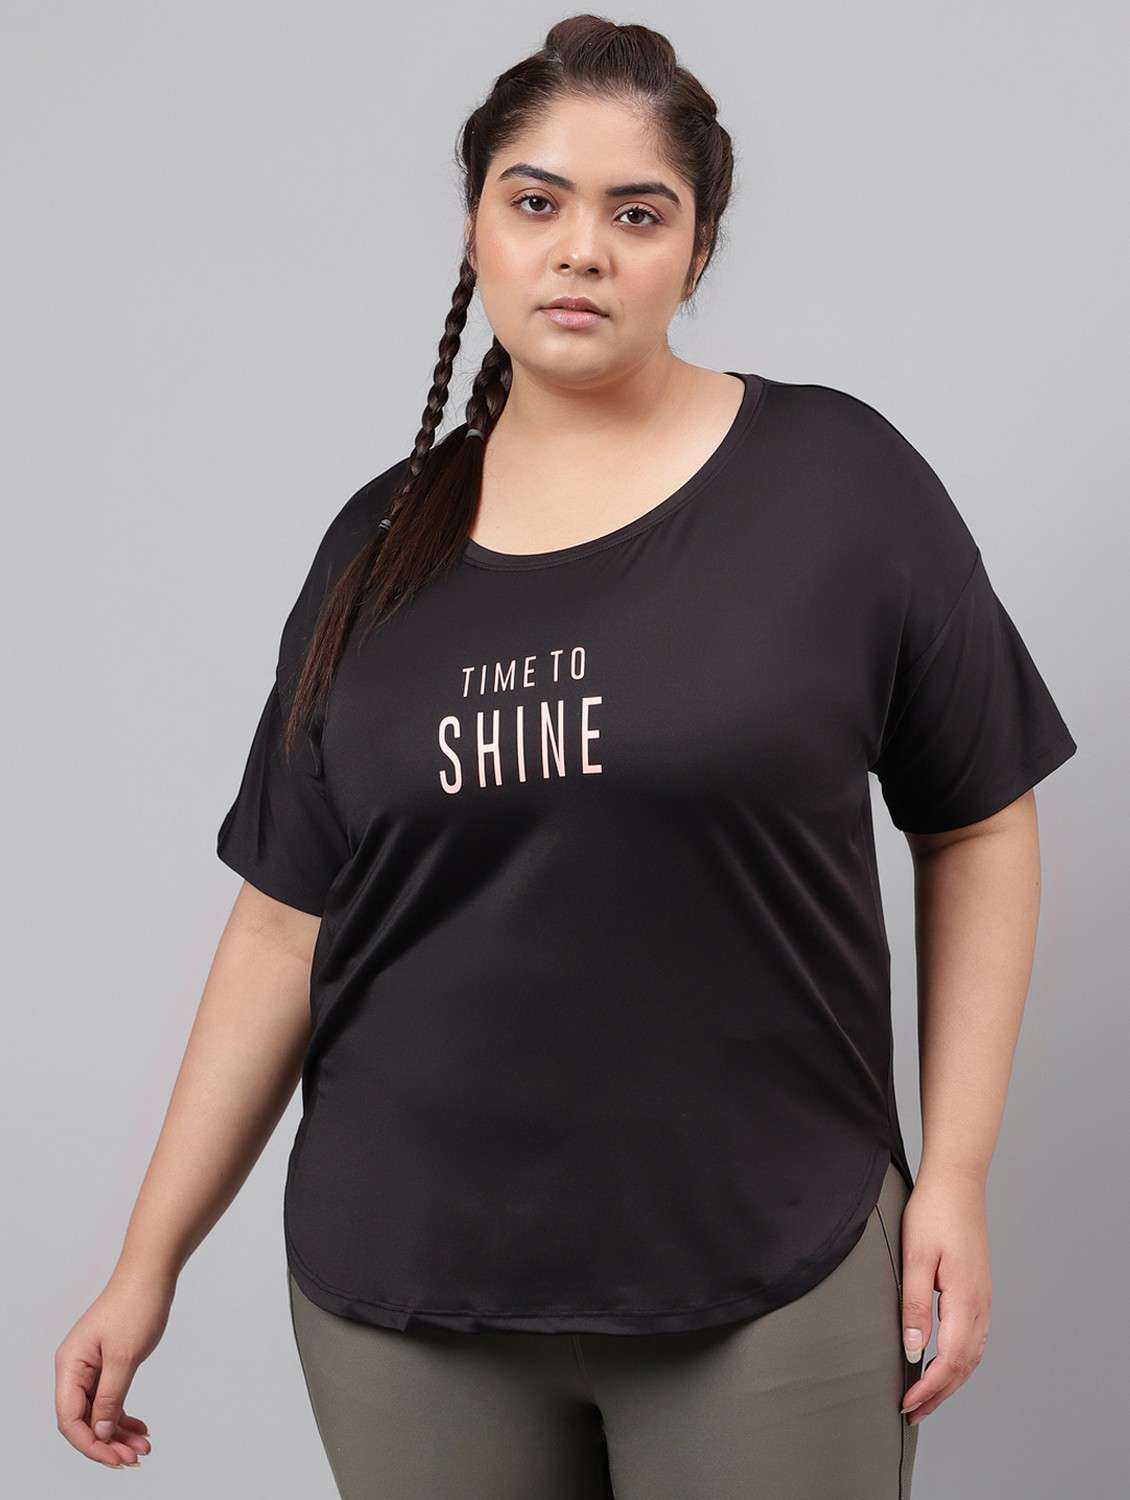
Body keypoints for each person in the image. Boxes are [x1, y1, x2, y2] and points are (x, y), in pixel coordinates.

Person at [53, 15, 1078, 1497]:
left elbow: (976, 820)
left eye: (636, 213)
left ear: (697, 251)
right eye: (534, 201)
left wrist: (957, 1177)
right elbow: (283, 926)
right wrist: (146, 1262)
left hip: (765, 1266)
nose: (579, 250)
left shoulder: (839, 488)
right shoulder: (375, 546)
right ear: (475, 227)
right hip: (404, 1296)